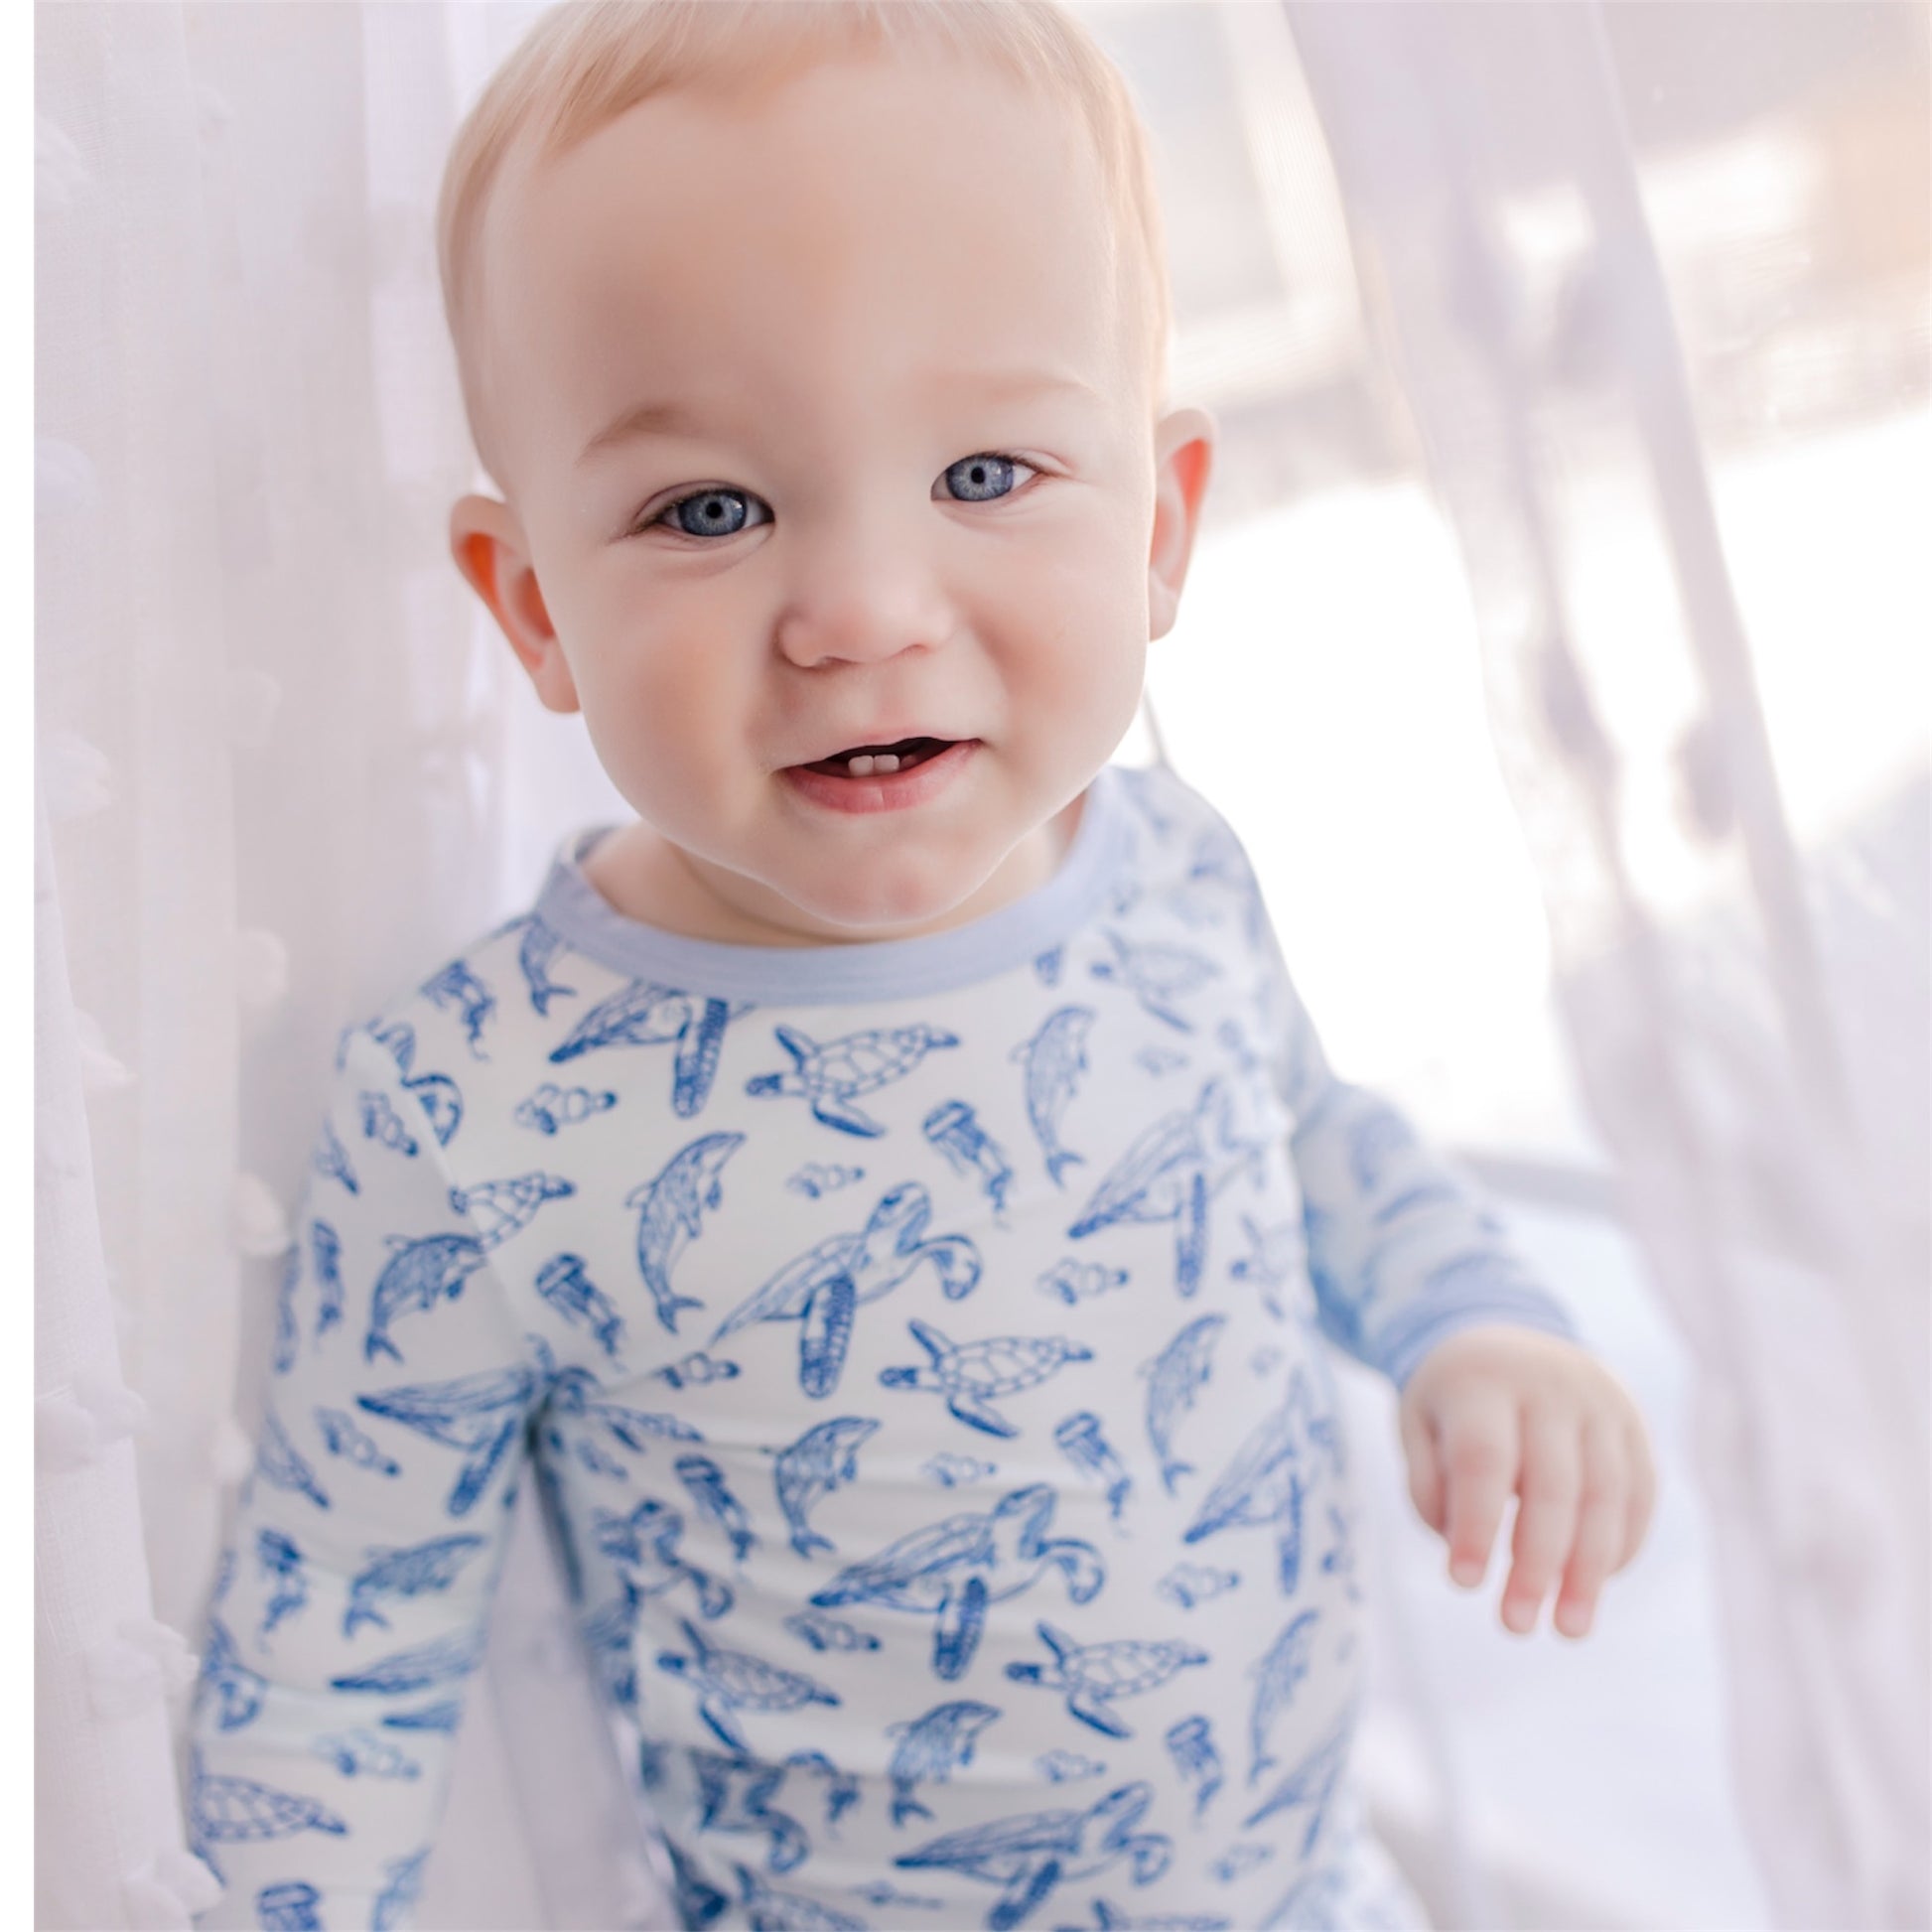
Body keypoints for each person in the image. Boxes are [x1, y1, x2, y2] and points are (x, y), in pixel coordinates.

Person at [189, 3, 1657, 1926]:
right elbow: (335, 1656)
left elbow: (1307, 1136)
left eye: (983, 473)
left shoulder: (1171, 873)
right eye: (708, 508)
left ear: (1159, 523)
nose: (863, 613)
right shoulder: (474, 1104)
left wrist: (1475, 1317)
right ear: (534, 605)